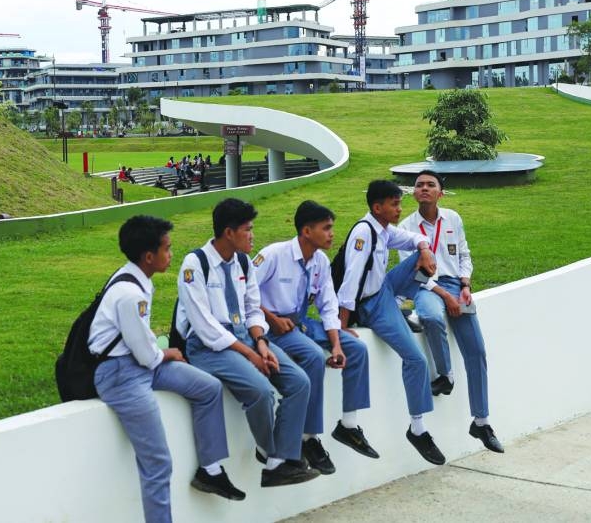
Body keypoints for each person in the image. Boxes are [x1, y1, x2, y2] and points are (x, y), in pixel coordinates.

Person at [90, 215, 245, 523]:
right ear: (149, 256)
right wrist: (165, 353)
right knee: (158, 462)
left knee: (208, 387)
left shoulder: (135, 279)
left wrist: (162, 353)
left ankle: (211, 468)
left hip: (139, 363)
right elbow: (146, 355)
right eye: (167, 248)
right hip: (120, 375)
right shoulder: (131, 294)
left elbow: (142, 345)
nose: (171, 254)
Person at [177, 198, 319, 487]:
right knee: (261, 391)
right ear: (229, 233)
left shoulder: (242, 262)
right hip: (209, 346)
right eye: (247, 229)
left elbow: (253, 308)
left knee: (299, 382)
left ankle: (280, 460)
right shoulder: (196, 264)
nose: (253, 235)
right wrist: (249, 355)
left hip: (246, 337)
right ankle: (272, 456)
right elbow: (205, 326)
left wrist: (262, 345)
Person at [254, 200, 378, 475]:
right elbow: (244, 293)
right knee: (311, 355)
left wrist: (335, 342)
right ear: (306, 231)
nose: (332, 233)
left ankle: (348, 425)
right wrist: (271, 317)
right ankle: (309, 438)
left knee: (355, 348)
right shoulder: (274, 255)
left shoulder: (320, 260)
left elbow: (328, 304)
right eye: (327, 228)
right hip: (270, 327)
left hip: (300, 324)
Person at [338, 180, 446, 465]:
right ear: (377, 207)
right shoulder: (365, 235)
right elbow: (350, 284)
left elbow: (411, 238)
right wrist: (342, 327)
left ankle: (399, 309)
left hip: (384, 290)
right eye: (394, 204)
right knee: (417, 360)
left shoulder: (382, 229)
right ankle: (417, 428)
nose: (399, 209)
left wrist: (424, 247)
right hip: (372, 305)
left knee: (422, 256)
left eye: (399, 203)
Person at [398, 170, 504, 453]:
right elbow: (412, 273)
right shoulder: (406, 227)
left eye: (430, 185)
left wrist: (466, 285)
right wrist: (445, 295)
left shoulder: (453, 219)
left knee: (477, 351)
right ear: (414, 193)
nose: (423, 188)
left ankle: (481, 422)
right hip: (425, 287)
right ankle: (445, 375)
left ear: (440, 193)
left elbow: (464, 254)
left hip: (457, 285)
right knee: (432, 317)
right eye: (419, 185)